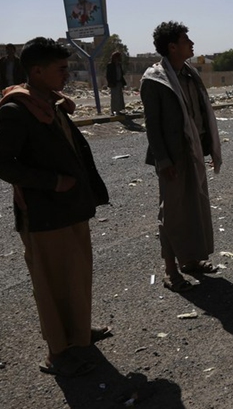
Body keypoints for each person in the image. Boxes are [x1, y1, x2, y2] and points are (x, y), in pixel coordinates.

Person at [0, 37, 110, 377]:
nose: (66, 74)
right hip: (44, 213)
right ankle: (57, 353)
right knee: (50, 285)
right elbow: (4, 164)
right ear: (37, 70)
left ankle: (78, 336)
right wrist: (52, 182)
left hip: (70, 208)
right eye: (60, 69)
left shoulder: (51, 103)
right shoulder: (16, 110)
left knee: (76, 276)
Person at [140, 21, 222, 293]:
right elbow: (152, 125)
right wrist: (164, 161)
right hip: (173, 158)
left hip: (194, 152)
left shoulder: (188, 74)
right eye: (186, 40)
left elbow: (199, 113)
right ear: (172, 47)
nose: (192, 44)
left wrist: (209, 147)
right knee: (172, 213)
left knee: (195, 208)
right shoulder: (155, 80)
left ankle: (191, 260)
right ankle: (170, 269)